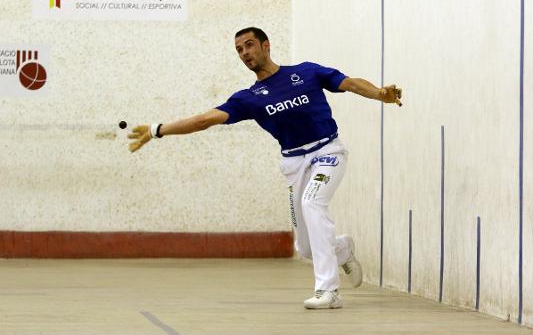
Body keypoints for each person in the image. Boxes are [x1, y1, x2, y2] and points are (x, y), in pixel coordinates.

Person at [128, 27, 402, 309]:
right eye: (239, 50)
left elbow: (351, 83)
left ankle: (328, 291)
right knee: (306, 247)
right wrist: (157, 130)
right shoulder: (249, 98)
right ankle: (341, 249)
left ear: (266, 45)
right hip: (294, 163)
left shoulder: (307, 72)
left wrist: (380, 93)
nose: (245, 53)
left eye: (249, 45)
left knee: (312, 203)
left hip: (328, 152)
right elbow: (204, 120)